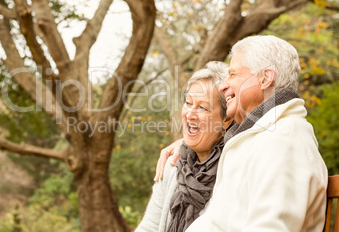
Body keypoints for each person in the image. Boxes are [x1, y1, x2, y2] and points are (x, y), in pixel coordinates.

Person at [155, 35, 328, 232]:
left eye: (233, 74)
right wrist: (185, 143)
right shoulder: (259, 138)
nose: (223, 85)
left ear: (265, 78)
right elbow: (214, 223)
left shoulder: (284, 140)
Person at [136, 61, 233, 232]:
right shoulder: (173, 164)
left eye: (202, 108)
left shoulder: (233, 169)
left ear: (226, 119)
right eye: (188, 103)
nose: (189, 114)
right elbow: (149, 227)